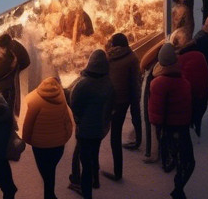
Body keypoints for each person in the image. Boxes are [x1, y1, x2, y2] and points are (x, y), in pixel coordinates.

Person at [148, 43, 195, 199]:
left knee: (179, 157)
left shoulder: (157, 83)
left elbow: (155, 111)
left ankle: (177, 185)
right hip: (179, 127)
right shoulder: (183, 81)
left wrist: (159, 128)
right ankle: (178, 189)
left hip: (170, 128)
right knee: (188, 162)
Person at [68, 49, 114, 199]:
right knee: (95, 153)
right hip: (101, 128)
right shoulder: (108, 83)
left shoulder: (83, 84)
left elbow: (74, 103)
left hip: (85, 130)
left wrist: (79, 119)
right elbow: (111, 105)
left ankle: (86, 192)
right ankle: (96, 180)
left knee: (85, 161)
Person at [22, 76, 74, 199]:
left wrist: (28, 140)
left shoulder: (33, 99)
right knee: (51, 169)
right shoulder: (61, 96)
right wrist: (66, 136)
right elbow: (67, 119)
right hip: (58, 145)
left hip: (40, 145)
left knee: (46, 171)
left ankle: (49, 194)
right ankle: (50, 194)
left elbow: (28, 125)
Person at [104, 33, 141, 182]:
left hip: (108, 100)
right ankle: (117, 171)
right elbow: (135, 82)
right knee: (115, 135)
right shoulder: (132, 57)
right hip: (123, 101)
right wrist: (135, 101)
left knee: (97, 132)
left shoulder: (107, 57)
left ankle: (95, 169)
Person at [0, 34, 30, 116]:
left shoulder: (14, 48)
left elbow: (26, 61)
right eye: (1, 48)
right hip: (3, 88)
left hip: (9, 88)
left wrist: (17, 69)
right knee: (3, 112)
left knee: (7, 113)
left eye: (4, 48)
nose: (3, 51)